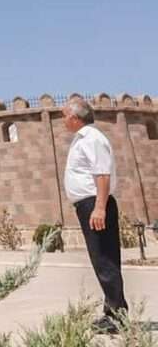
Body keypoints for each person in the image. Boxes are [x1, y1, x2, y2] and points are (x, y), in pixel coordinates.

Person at [62, 99, 129, 333]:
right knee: (102, 258)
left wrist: (99, 207)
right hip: (89, 203)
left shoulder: (92, 139)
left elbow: (102, 173)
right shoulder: (83, 139)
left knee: (104, 259)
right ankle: (113, 311)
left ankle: (117, 317)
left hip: (95, 203)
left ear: (75, 117)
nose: (63, 120)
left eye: (65, 116)